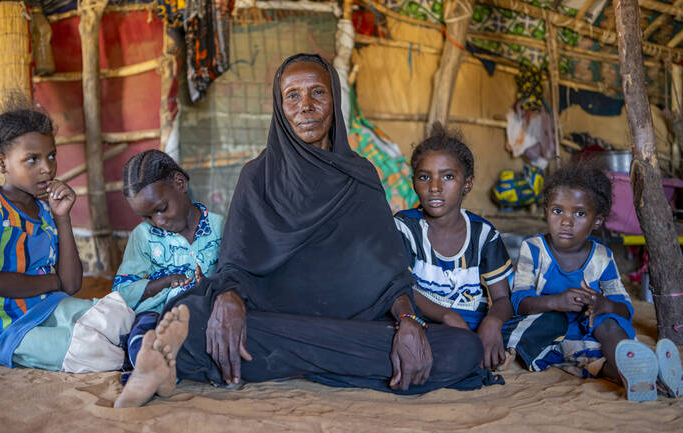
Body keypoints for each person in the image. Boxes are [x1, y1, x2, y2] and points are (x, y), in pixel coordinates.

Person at [113, 53, 490, 408]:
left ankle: (267, 361)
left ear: (334, 99)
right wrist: (228, 295)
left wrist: (409, 321)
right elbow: (235, 263)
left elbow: (389, 274)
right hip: (272, 319)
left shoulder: (360, 177)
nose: (305, 107)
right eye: (292, 96)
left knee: (461, 348)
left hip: (351, 326)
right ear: (280, 108)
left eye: (317, 93)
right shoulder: (256, 177)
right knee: (196, 313)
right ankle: (313, 361)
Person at [0, 109, 134, 372]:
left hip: (51, 306)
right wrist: (51, 282)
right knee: (88, 348)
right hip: (9, 331)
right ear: (1, 163)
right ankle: (141, 355)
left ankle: (141, 348)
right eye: (32, 159)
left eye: (51, 156)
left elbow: (71, 284)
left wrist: (62, 217)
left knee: (118, 315)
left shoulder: (46, 211)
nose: (47, 168)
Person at [510, 162, 682, 401]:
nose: (567, 221)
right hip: (555, 337)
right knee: (598, 360)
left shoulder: (602, 256)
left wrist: (604, 305)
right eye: (558, 211)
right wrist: (556, 301)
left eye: (579, 213)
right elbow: (519, 301)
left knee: (607, 324)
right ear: (546, 210)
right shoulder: (534, 249)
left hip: (596, 337)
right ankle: (652, 376)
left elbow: (624, 306)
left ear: (598, 220)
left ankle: (646, 379)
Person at [393, 126, 518, 371]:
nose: (435, 186)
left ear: (467, 183)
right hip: (426, 321)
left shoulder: (484, 235)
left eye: (448, 176)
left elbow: (503, 298)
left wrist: (492, 322)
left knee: (542, 323)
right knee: (393, 330)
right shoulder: (405, 227)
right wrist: (446, 315)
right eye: (424, 176)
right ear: (414, 183)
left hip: (475, 323)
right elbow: (400, 288)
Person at [113, 150, 223, 407]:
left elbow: (233, 276)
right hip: (155, 314)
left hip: (201, 315)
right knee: (142, 332)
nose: (158, 221)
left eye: (161, 209)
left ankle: (161, 371)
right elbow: (123, 290)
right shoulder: (142, 237)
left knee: (207, 332)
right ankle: (148, 368)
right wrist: (166, 281)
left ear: (180, 184)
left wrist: (205, 284)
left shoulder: (220, 228)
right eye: (148, 216)